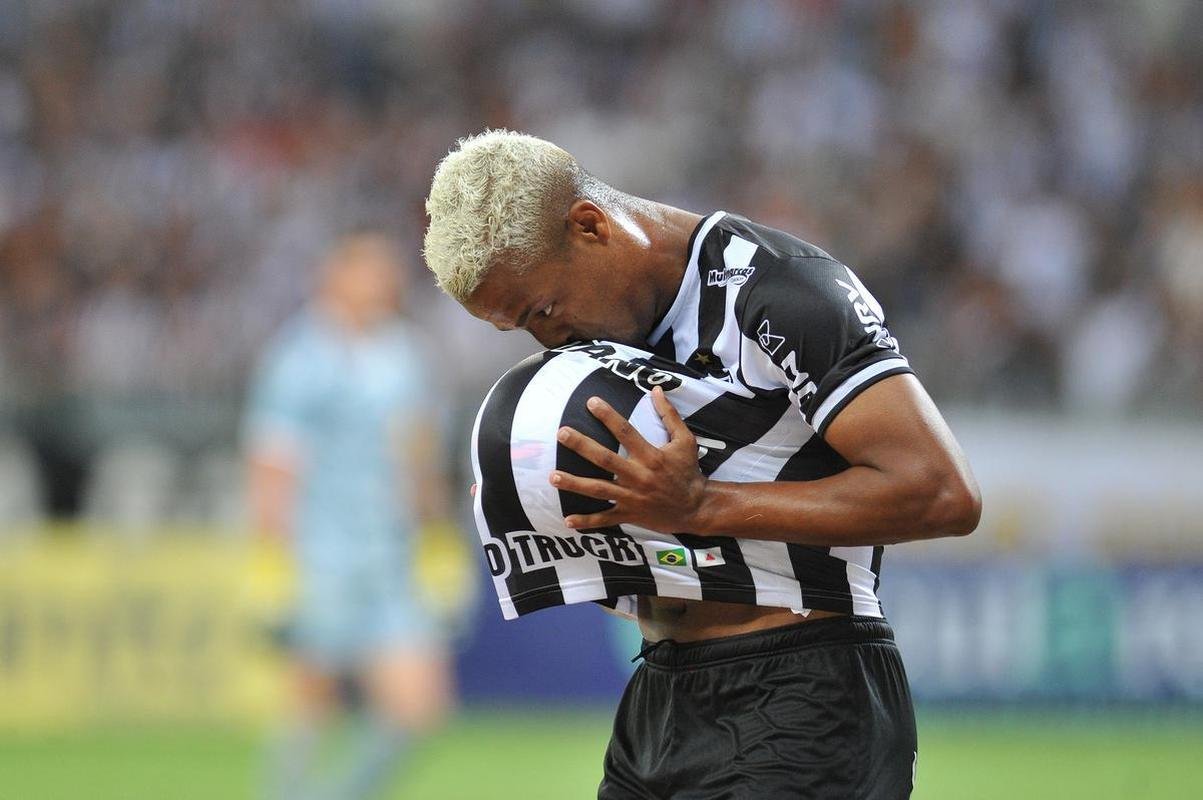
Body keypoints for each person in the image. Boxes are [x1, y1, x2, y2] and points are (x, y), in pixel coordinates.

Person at [425, 130, 982, 799]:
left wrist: (705, 507)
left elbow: (942, 492)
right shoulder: (606, 328)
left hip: (804, 694)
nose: (548, 339)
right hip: (660, 695)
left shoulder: (781, 290)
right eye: (520, 328)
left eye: (543, 309)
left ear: (590, 226)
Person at [244, 233, 454, 800]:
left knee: (421, 706)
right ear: (334, 276)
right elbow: (272, 466)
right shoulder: (299, 359)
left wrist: (436, 541)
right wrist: (271, 559)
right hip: (322, 554)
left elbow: (420, 458)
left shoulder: (406, 355)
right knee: (312, 697)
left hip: (390, 556)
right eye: (370, 271)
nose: (384, 284)